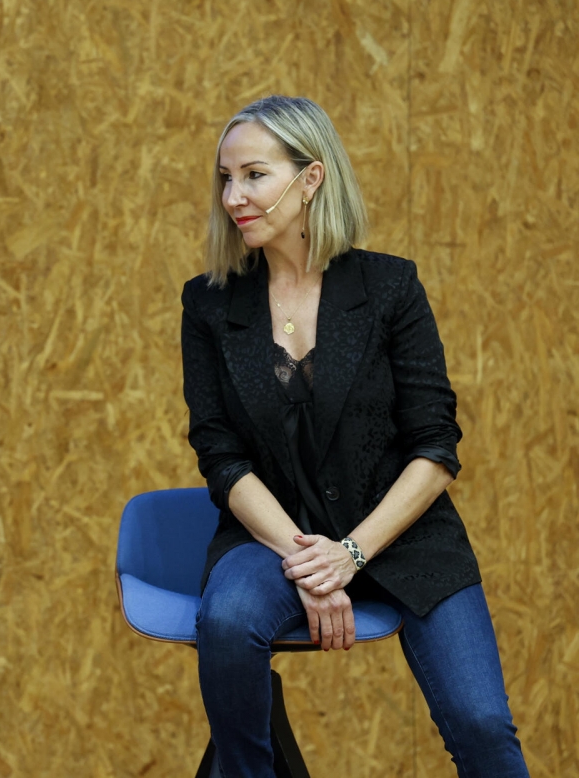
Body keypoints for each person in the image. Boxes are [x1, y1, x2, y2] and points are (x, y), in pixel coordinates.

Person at [180, 95, 528, 777]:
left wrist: (351, 554)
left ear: (311, 178)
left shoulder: (390, 287)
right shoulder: (209, 302)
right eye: (226, 178)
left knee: (483, 727)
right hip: (274, 538)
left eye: (254, 175)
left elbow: (436, 446)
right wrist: (310, 561)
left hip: (403, 535)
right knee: (227, 619)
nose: (232, 197)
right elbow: (220, 455)